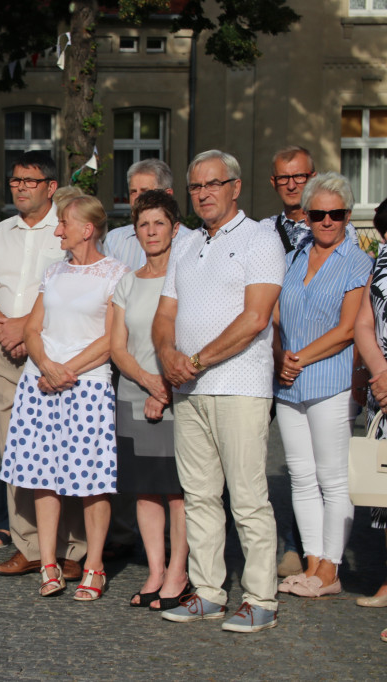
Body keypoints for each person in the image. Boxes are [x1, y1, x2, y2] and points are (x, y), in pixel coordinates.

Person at [155, 150, 285, 633]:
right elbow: (165, 314)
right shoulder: (186, 244)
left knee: (248, 497)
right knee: (200, 495)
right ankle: (208, 590)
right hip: (189, 389)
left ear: (235, 186)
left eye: (214, 184)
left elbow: (255, 318)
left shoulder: (260, 238)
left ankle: (261, 598)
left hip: (239, 385)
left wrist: (196, 360)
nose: (205, 193)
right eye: (196, 186)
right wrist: (168, 355)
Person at [0, 194, 129, 600]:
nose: (57, 230)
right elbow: (33, 328)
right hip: (41, 385)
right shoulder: (54, 271)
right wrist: (47, 366)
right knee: (43, 477)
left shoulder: (116, 275)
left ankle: (93, 566)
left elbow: (113, 338)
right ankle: (49, 563)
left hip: (87, 387)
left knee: (92, 481)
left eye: (64, 224)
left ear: (86, 230)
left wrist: (67, 369)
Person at [0, 150, 70, 575]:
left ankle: (70, 548)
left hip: (55, 355)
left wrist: (26, 327)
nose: (21, 187)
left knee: (62, 450)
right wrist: (2, 326)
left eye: (30, 180)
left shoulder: (66, 230)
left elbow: (76, 285)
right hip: (7, 354)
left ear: (50, 186)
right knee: (16, 452)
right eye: (15, 180)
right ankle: (27, 545)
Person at [272, 172, 371, 599]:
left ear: (348, 216)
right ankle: (312, 561)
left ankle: (331, 567)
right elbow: (277, 315)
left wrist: (299, 359)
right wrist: (282, 358)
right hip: (290, 383)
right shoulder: (295, 253)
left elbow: (349, 328)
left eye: (336, 214)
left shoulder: (356, 260)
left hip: (329, 379)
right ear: (307, 215)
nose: (327, 221)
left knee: (332, 478)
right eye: (318, 213)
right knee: (300, 476)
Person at [110, 190, 190, 610]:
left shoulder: (187, 276)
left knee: (177, 490)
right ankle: (155, 570)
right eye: (143, 224)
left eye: (159, 223)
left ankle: (179, 570)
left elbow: (193, 339)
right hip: (132, 394)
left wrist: (165, 388)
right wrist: (146, 381)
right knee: (144, 490)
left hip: (178, 396)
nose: (151, 232)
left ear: (174, 228)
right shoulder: (127, 281)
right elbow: (118, 346)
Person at [355, 196, 387, 642]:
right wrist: (380, 373)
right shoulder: (380, 265)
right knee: (385, 492)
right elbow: (365, 323)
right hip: (385, 388)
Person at [103, 159, 186, 270]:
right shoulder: (114, 240)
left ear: (168, 195)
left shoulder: (188, 241)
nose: (137, 198)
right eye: (133, 192)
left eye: (144, 191)